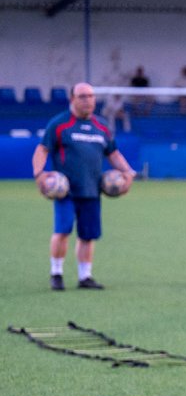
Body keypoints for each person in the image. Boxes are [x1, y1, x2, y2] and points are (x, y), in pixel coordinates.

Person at [32, 82, 136, 291]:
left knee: (88, 235)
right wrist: (39, 174)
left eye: (90, 96)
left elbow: (113, 153)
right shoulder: (59, 124)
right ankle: (57, 273)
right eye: (82, 96)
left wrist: (128, 172)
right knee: (62, 231)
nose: (87, 100)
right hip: (65, 190)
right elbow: (43, 149)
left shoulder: (102, 126)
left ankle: (85, 276)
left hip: (92, 190)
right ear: (72, 99)